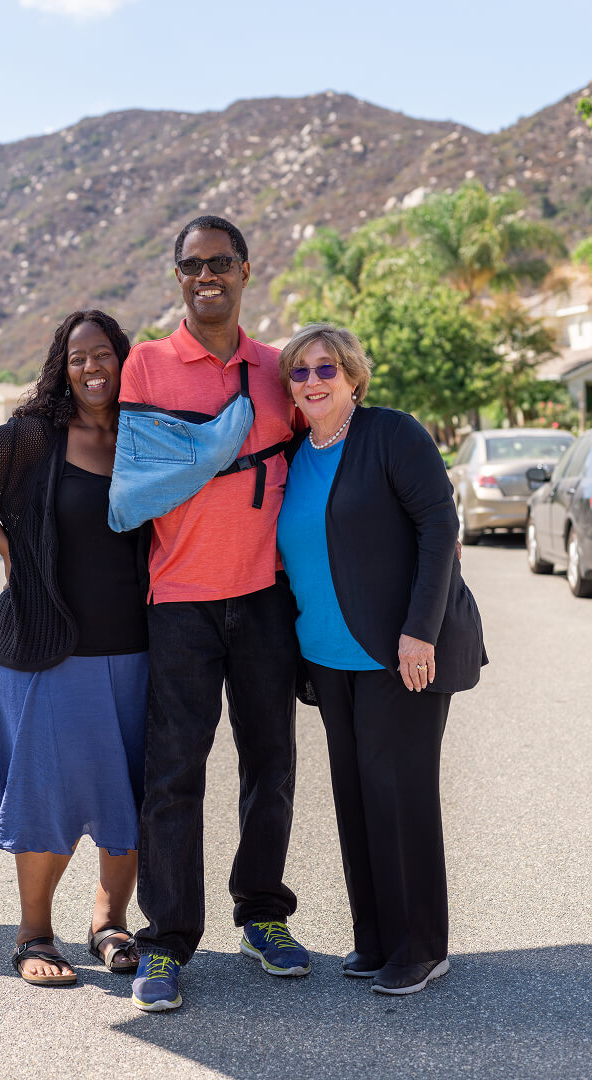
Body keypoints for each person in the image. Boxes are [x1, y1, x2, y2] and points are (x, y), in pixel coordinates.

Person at [0, 310, 149, 987]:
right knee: (46, 792)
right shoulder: (34, 440)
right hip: (50, 650)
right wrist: (8, 547)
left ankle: (109, 922)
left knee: (129, 793)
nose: (91, 368)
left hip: (138, 648)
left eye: (103, 354)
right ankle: (33, 933)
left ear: (122, 360)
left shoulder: (143, 438)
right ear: (62, 367)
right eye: (78, 357)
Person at [122, 216, 309, 1013]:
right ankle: (165, 942)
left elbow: (325, 458)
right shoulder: (148, 365)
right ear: (177, 276)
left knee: (271, 765)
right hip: (180, 602)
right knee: (173, 774)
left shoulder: (281, 369)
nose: (208, 276)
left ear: (244, 271)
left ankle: (261, 914)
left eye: (221, 263)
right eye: (192, 265)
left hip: (264, 597)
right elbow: (136, 480)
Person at [276, 323, 487, 996]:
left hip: (401, 653)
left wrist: (418, 633)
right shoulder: (292, 454)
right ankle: (375, 938)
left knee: (402, 797)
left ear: (353, 377)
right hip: (329, 658)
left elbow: (439, 526)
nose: (312, 381)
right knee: (357, 799)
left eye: (325, 369)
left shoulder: (392, 434)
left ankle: (421, 946)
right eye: (300, 372)